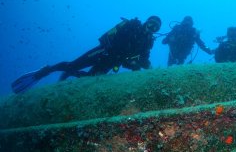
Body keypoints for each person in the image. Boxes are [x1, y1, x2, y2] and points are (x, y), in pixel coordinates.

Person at [11, 16, 162, 94]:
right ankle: (46, 71)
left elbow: (143, 60)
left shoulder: (148, 43)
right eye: (151, 23)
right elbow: (107, 36)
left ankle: (67, 76)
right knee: (72, 65)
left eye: (155, 27)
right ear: (146, 22)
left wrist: (145, 70)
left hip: (110, 63)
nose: (151, 28)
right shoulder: (131, 25)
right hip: (102, 52)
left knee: (90, 80)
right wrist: (108, 49)